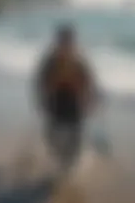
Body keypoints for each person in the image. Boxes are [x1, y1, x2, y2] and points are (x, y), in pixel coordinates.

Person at [33, 24, 98, 170]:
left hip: (74, 103)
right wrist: (42, 101)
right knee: (53, 136)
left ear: (73, 42)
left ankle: (69, 165)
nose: (66, 45)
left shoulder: (79, 61)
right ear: (57, 42)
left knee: (75, 137)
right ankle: (60, 158)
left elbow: (89, 82)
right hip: (55, 102)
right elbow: (40, 82)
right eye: (63, 41)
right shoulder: (50, 61)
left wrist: (91, 100)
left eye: (69, 41)